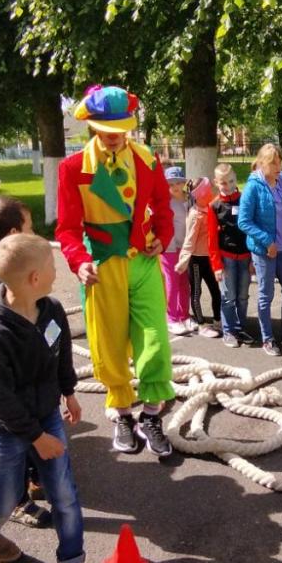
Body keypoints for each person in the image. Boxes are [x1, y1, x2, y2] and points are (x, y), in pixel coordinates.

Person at [56, 84, 176, 457]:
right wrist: (79, 261)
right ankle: (123, 413)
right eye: (107, 129)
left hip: (143, 262)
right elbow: (67, 229)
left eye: (120, 129)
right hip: (103, 265)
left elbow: (163, 206)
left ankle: (152, 414)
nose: (114, 136)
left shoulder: (147, 160)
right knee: (108, 342)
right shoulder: (73, 168)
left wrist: (163, 237)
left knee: (154, 337)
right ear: (92, 125)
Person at [0, 234, 91, 563]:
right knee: (5, 498)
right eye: (52, 266)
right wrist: (37, 438)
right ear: (34, 278)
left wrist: (69, 393)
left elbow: (61, 355)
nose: (57, 271)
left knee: (64, 494)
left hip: (46, 413)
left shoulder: (51, 309)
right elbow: (1, 402)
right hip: (5, 427)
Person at [0, 195, 50, 528]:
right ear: (15, 233)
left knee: (28, 435)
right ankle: (14, 502)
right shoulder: (2, 281)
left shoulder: (12, 272)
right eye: (30, 227)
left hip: (27, 379)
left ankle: (32, 478)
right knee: (11, 445)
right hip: (11, 385)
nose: (35, 232)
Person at [239, 143, 282, 357]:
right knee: (266, 295)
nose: (279, 167)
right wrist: (267, 242)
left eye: (279, 162)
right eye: (274, 163)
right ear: (262, 163)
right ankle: (267, 338)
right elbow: (244, 221)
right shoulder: (253, 187)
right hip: (264, 251)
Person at [207, 163, 253, 348]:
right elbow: (211, 239)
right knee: (228, 297)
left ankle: (240, 328)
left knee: (243, 296)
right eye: (224, 183)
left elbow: (251, 230)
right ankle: (229, 331)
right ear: (216, 183)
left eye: (232, 181)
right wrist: (217, 266)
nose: (228, 186)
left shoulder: (245, 200)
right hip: (226, 259)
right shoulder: (214, 206)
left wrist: (253, 259)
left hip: (245, 257)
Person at [176, 176, 221, 339]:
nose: (211, 193)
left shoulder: (210, 208)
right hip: (196, 260)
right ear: (201, 195)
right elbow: (189, 240)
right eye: (208, 191)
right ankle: (201, 325)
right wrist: (183, 260)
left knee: (216, 290)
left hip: (209, 259)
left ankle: (218, 320)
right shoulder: (195, 215)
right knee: (196, 292)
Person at [160, 166, 192, 336]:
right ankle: (172, 318)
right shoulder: (166, 202)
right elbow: (164, 226)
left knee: (184, 283)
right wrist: (170, 248)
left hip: (185, 247)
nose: (175, 187)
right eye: (170, 184)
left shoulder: (190, 199)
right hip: (170, 248)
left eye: (178, 182)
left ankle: (184, 315)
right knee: (172, 282)